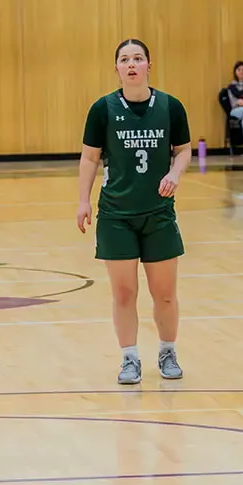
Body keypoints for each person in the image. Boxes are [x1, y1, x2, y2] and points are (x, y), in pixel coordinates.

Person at [77, 39, 191, 384]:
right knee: (124, 293)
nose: (131, 64)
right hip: (116, 216)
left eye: (138, 58)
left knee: (165, 292)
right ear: (117, 69)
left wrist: (174, 173)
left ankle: (168, 351)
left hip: (158, 214)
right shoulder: (102, 109)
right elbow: (90, 157)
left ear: (148, 66)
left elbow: (184, 150)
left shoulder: (171, 107)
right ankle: (129, 358)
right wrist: (83, 200)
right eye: (124, 59)